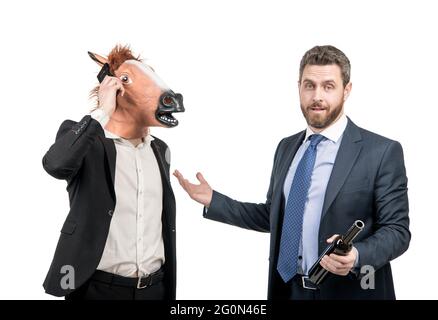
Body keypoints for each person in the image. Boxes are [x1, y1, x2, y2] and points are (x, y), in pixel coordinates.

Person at [174, 45, 410, 300]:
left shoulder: (381, 152)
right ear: (299, 87)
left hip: (351, 291)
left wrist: (357, 256)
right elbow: (273, 215)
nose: (317, 96)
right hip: (288, 290)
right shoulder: (287, 147)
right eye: (309, 85)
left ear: (347, 90)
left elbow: (397, 230)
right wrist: (214, 200)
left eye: (328, 86)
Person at [42, 45, 184, 300]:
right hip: (98, 289)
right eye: (127, 79)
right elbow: (56, 164)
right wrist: (102, 112)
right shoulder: (85, 141)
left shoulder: (160, 150)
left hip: (155, 288)